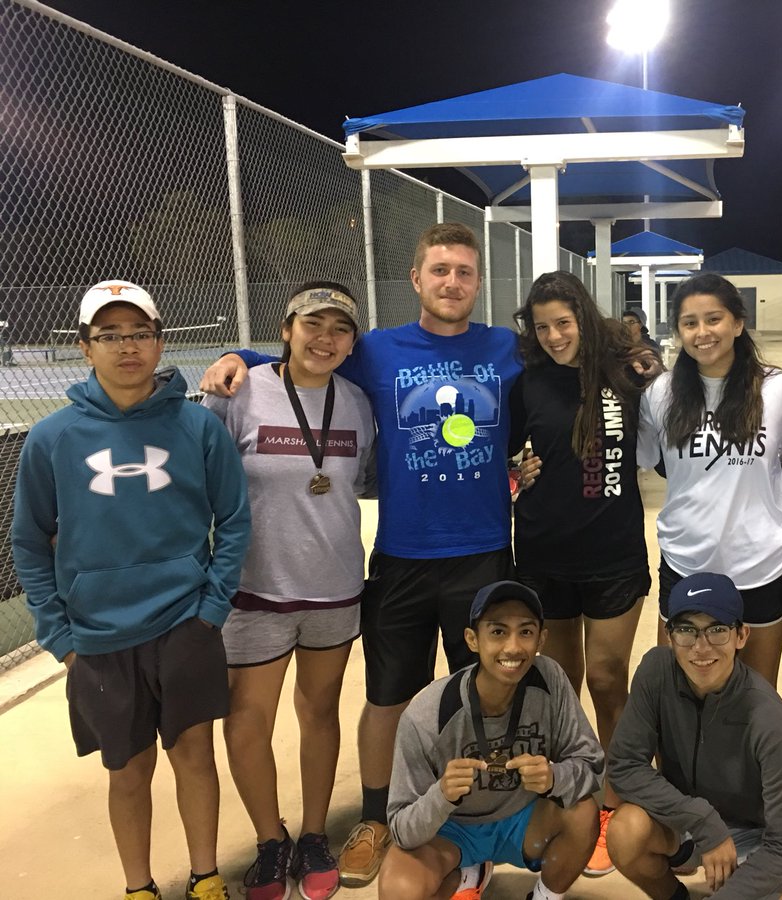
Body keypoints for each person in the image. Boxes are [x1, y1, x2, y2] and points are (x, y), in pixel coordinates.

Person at [200, 223, 522, 888]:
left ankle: (476, 823)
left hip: (485, 552)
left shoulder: (504, 348)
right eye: (440, 270)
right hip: (401, 555)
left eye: (464, 271)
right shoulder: (375, 350)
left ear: (478, 283)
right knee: (388, 699)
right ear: (416, 279)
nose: (452, 282)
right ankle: (378, 816)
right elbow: (301, 357)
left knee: (480, 696)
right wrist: (238, 354)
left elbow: (568, 357)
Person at [11, 280, 251, 900]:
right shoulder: (53, 438)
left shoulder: (197, 426)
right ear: (86, 348)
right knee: (128, 770)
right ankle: (138, 886)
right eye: (109, 336)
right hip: (96, 636)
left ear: (160, 341)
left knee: (195, 755)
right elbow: (30, 543)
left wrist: (211, 608)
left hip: (185, 624)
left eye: (139, 333)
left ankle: (204, 875)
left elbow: (234, 521)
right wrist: (58, 635)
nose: (127, 348)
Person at [201, 283, 375, 900]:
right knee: (248, 720)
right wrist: (234, 357)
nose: (324, 339)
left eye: (339, 329)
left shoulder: (358, 402)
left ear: (352, 342)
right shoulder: (239, 393)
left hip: (334, 589)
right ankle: (270, 840)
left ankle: (312, 836)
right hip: (256, 590)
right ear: (286, 328)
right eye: (312, 324)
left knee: (318, 712)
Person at [509, 270, 652, 877]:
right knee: (561, 684)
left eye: (563, 323)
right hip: (546, 553)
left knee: (608, 677)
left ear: (584, 319)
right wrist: (520, 475)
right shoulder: (526, 383)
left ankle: (617, 793)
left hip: (614, 552)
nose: (553, 336)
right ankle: (576, 795)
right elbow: (502, 456)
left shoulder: (627, 373)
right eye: (542, 327)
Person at [376, 580, 605, 900]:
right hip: (451, 831)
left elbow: (592, 766)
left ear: (542, 638)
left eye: (525, 631)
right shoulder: (428, 714)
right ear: (472, 639)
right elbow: (401, 828)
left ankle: (545, 896)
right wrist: (440, 795)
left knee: (582, 811)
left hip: (523, 823)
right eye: (497, 631)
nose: (513, 647)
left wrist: (555, 777)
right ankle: (468, 872)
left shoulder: (549, 679)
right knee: (398, 889)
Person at [637, 272, 782, 686]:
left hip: (761, 564)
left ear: (737, 322)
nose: (702, 333)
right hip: (686, 561)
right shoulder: (660, 393)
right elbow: (648, 459)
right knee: (680, 695)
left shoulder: (777, 388)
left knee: (756, 692)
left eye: (713, 319)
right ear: (677, 331)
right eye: (689, 323)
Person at [606, 572, 782, 900]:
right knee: (625, 830)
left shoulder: (769, 718)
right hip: (683, 819)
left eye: (717, 630)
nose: (701, 647)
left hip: (753, 836)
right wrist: (701, 819)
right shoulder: (656, 671)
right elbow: (624, 765)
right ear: (669, 636)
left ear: (741, 635)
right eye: (686, 630)